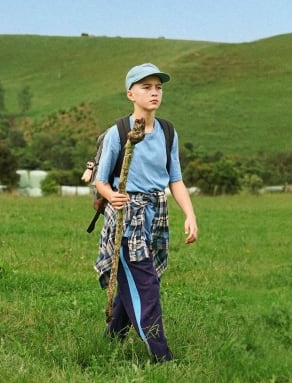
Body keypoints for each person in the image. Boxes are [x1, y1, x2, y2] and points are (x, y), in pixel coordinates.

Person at [93, 63, 199, 362]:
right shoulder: (119, 132)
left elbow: (175, 179)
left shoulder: (167, 131)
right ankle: (162, 357)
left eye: (158, 87)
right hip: (128, 218)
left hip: (158, 215)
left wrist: (190, 215)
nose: (154, 93)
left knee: (142, 281)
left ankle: (110, 342)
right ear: (131, 94)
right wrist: (111, 195)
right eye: (146, 87)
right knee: (146, 284)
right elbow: (101, 180)